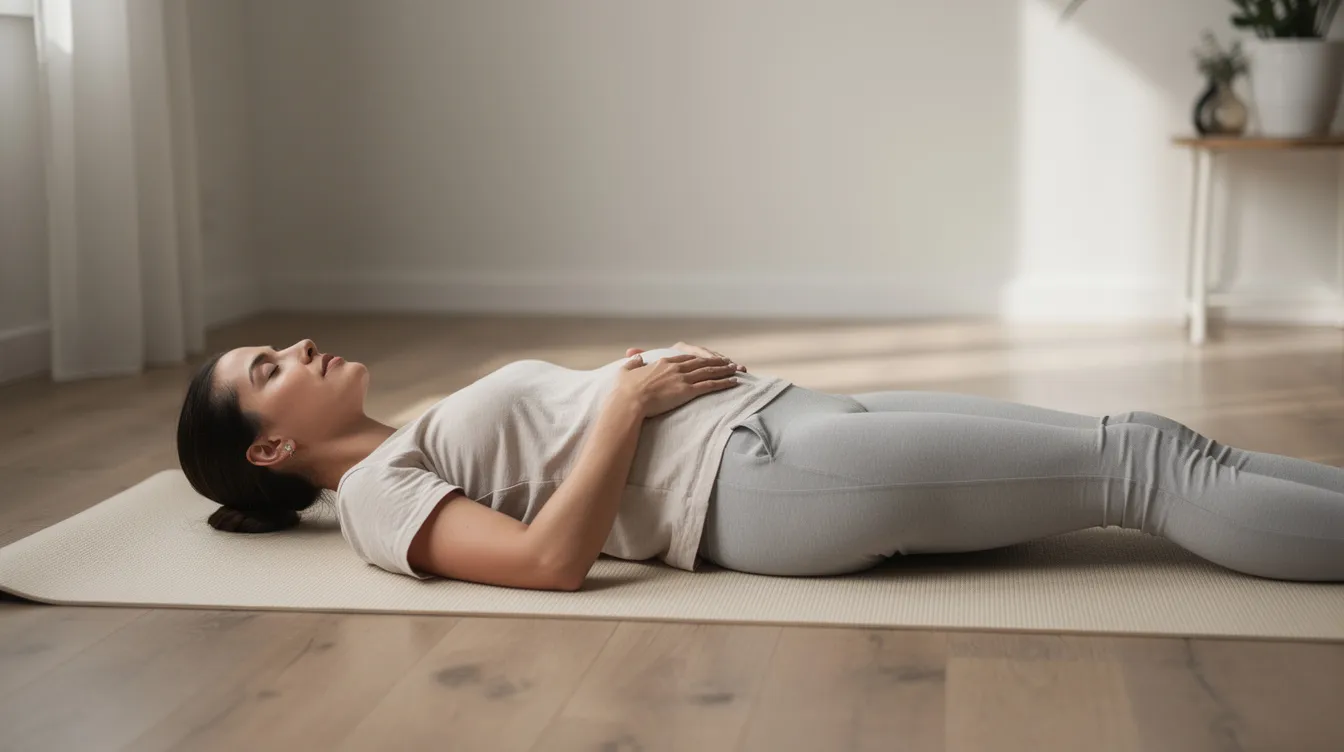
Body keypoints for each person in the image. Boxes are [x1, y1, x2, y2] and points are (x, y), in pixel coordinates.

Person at [176, 338, 1344, 591]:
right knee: (1135, 467)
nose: (297, 348)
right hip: (759, 481)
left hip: (783, 422)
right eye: (269, 367)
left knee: (1155, 444)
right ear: (271, 446)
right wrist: (628, 400)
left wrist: (633, 395)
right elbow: (546, 560)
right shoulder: (379, 497)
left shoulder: (401, 444)